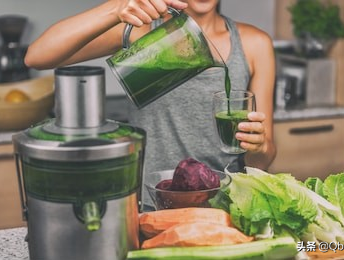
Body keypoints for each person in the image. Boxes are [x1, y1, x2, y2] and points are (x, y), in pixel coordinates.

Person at [24, 0, 276, 175]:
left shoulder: (255, 44)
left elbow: (262, 161)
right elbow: (37, 56)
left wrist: (259, 146)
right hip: (150, 202)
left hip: (224, 202)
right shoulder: (141, 31)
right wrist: (116, 7)